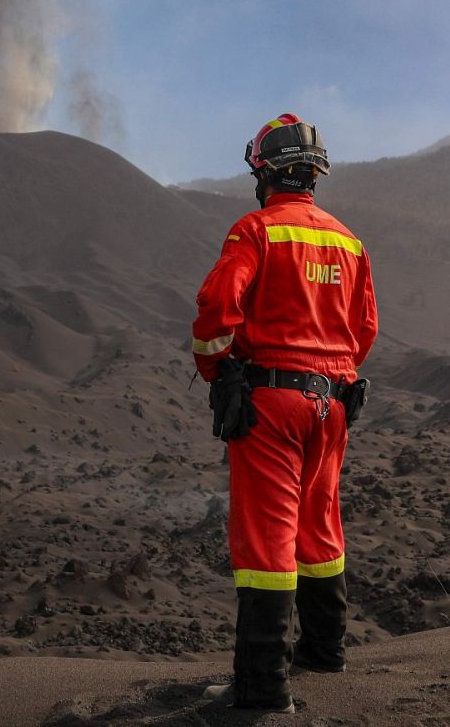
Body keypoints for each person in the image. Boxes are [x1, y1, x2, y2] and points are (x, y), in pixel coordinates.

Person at [191, 113, 379, 711]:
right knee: (319, 524)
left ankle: (263, 688)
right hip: (333, 404)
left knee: (267, 535)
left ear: (263, 171)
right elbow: (364, 329)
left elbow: (215, 310)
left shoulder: (256, 232)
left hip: (271, 402)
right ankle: (325, 653)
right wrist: (332, 374)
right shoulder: (349, 242)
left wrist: (220, 375)